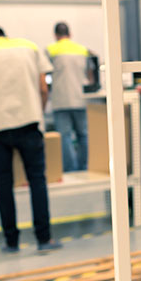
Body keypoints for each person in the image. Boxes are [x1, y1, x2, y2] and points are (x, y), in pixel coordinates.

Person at [0, 24, 62, 253]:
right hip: (29, 121)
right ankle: (44, 239)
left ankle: (11, 242)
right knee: (37, 181)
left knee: (3, 186)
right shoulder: (29, 46)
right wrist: (38, 112)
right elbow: (44, 87)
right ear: (4, 34)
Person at [47, 22, 91, 172]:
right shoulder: (82, 50)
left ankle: (70, 168)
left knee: (64, 136)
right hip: (81, 98)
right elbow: (91, 69)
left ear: (56, 35)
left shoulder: (51, 50)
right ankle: (84, 166)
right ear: (70, 34)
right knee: (83, 135)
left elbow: (45, 74)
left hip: (61, 100)